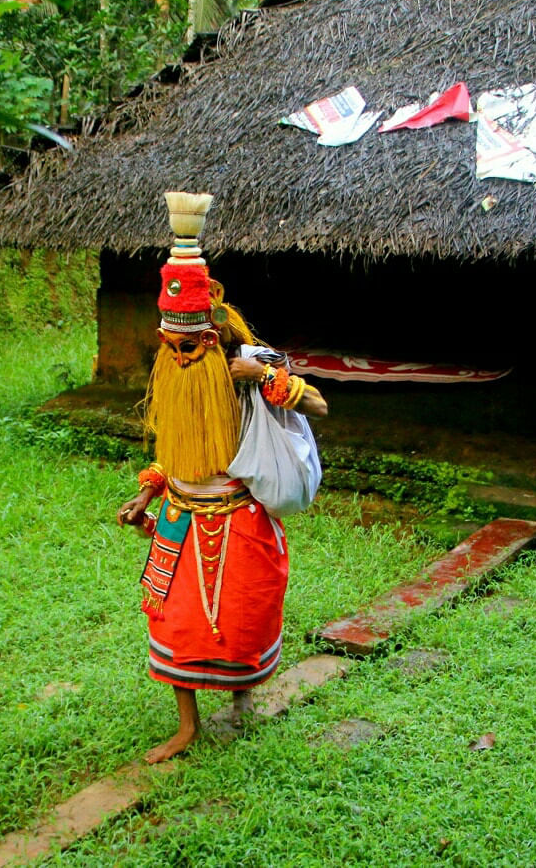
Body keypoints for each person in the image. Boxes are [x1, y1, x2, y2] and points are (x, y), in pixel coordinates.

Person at [115, 193, 328, 764]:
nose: (179, 357)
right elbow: (173, 452)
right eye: (171, 347)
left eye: (189, 347)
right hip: (180, 522)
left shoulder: (249, 371)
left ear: (213, 339)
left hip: (241, 522)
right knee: (176, 621)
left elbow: (323, 408)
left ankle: (240, 703)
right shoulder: (176, 375)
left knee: (242, 618)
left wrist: (265, 376)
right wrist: (146, 491)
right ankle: (187, 727)